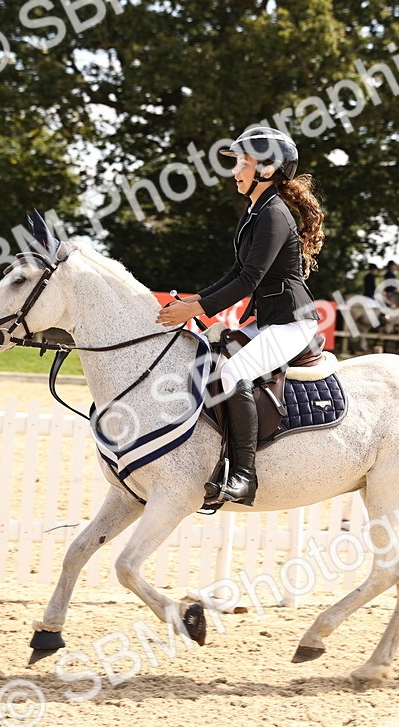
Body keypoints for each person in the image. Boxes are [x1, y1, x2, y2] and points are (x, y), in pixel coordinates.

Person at [156, 126, 323, 506]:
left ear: (267, 169)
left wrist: (197, 308)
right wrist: (196, 300)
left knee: (233, 372)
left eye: (243, 164)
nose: (236, 172)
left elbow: (250, 279)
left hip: (291, 321)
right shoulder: (256, 211)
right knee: (208, 352)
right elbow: (236, 271)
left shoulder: (274, 215)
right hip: (266, 319)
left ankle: (245, 476)